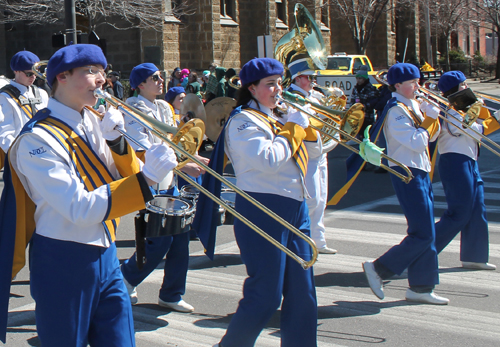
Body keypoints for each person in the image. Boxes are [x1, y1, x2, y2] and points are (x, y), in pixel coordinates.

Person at [0, 43, 178, 346]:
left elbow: (122, 175)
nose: (101, 79)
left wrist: (118, 143)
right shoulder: (35, 139)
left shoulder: (94, 122)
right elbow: (78, 208)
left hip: (107, 253)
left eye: (103, 72)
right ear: (62, 78)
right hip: (63, 258)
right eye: (91, 71)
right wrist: (147, 179)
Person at [214, 57, 319, 347]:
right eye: (270, 85)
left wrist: (308, 132)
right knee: (266, 295)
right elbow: (267, 160)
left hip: (295, 206)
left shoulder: (278, 116)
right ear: (251, 88)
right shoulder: (242, 121)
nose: (278, 90)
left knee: (303, 292)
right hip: (262, 209)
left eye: (279, 83)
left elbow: (316, 154)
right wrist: (294, 130)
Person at [120, 63, 205, 313]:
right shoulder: (133, 109)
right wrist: (184, 165)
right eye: (154, 78)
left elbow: (177, 141)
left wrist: (190, 156)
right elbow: (143, 151)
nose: (160, 81)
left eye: (161, 76)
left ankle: (172, 293)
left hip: (170, 180)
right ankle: (125, 278)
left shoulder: (164, 107)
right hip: (151, 180)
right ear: (140, 84)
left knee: (180, 239)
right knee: (160, 240)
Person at [362, 63, 448, 305]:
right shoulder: (395, 110)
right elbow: (416, 142)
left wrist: (433, 118)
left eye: (418, 81)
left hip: (420, 170)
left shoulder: (413, 106)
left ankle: (421, 287)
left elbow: (431, 136)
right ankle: (379, 268)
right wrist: (429, 119)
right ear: (398, 85)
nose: (418, 86)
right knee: (422, 233)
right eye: (413, 82)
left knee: (426, 232)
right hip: (407, 172)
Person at [433, 71, 498, 270]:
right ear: (457, 88)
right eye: (464, 85)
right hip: (455, 162)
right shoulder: (450, 111)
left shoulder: (465, 107)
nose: (467, 87)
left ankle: (475, 256)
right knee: (459, 213)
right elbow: (480, 130)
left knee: (478, 209)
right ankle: (422, 251)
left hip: (470, 160)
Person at [286, 57, 338, 255]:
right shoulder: (292, 98)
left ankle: (319, 240)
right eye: (309, 77)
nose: (313, 81)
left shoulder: (314, 96)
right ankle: (302, 240)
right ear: (298, 78)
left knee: (322, 198)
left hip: (320, 152)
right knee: (312, 198)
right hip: (305, 154)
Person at [0, 51, 49, 169]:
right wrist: (21, 156)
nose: (33, 77)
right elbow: (5, 133)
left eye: (36, 73)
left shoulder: (41, 93)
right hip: (21, 157)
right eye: (29, 74)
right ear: (16, 71)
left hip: (44, 152)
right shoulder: (5, 97)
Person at [350, 65, 379, 138]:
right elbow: (352, 100)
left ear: (365, 79)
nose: (358, 80)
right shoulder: (355, 89)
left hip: (367, 117)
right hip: (357, 118)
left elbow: (373, 102)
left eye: (360, 78)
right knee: (359, 136)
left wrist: (362, 107)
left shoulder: (371, 89)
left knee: (367, 136)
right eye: (357, 78)